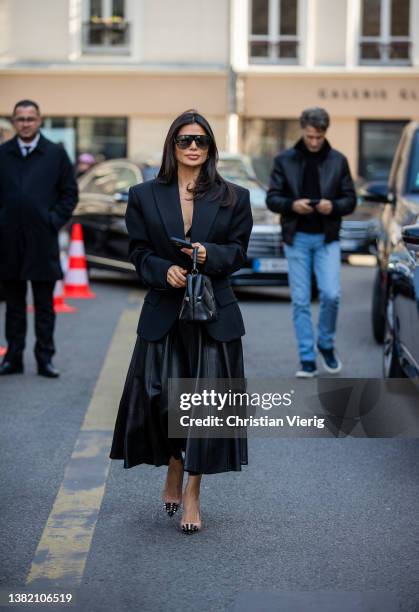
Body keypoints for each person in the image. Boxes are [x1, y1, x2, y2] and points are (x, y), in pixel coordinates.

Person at [110, 109, 253, 534]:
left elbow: (239, 253)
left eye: (201, 140)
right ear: (172, 145)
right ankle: (174, 465)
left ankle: (192, 491)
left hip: (212, 315)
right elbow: (137, 252)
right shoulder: (143, 194)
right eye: (184, 140)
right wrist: (161, 270)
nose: (193, 147)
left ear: (211, 148)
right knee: (163, 401)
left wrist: (211, 255)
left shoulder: (233, 197)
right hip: (164, 312)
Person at [266, 107, 356, 378]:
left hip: (327, 238)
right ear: (303, 131)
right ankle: (307, 357)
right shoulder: (285, 160)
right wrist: (293, 205)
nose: (313, 142)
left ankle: (326, 345)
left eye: (318, 137)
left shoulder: (338, 161)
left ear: (324, 132)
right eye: (309, 137)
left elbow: (351, 199)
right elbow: (272, 198)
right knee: (301, 301)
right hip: (297, 238)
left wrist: (334, 206)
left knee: (331, 294)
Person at [0, 100, 78, 378]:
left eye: (30, 118)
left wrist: (52, 221)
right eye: (20, 119)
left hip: (42, 242)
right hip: (8, 243)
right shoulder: (3, 153)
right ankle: (13, 358)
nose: (25, 123)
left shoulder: (55, 154)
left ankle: (45, 358)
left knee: (45, 306)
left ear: (40, 120)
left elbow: (70, 194)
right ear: (13, 121)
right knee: (14, 307)